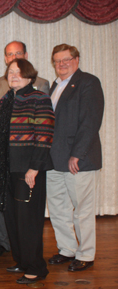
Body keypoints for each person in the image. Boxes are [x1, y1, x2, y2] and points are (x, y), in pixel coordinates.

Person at [0, 59, 54, 285]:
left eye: (18, 72)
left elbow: (44, 135)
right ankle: (22, 260)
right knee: (13, 219)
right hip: (6, 169)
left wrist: (34, 168)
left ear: (29, 75)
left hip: (27, 170)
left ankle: (36, 268)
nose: (13, 75)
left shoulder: (39, 98)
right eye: (10, 72)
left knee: (29, 221)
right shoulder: (6, 99)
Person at [46, 44, 104, 272]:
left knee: (82, 210)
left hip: (79, 160)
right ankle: (67, 249)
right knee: (58, 208)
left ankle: (86, 254)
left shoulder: (88, 82)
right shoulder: (55, 85)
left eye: (66, 59)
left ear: (76, 60)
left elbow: (90, 121)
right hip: (54, 159)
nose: (61, 64)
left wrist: (77, 154)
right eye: (57, 61)